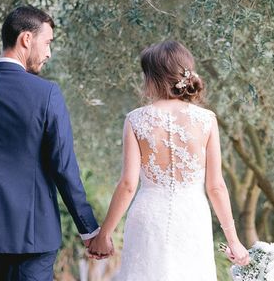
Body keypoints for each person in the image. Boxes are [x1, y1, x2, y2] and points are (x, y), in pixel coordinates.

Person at [0, 6, 102, 281]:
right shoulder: (47, 94)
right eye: (47, 42)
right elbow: (63, 168)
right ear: (26, 39)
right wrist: (90, 229)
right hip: (34, 233)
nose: (49, 53)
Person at [88, 40, 250, 280]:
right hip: (192, 216)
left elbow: (128, 185)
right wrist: (234, 241)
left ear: (153, 78)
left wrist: (104, 235)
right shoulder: (206, 120)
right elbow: (215, 186)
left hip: (148, 216)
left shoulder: (136, 120)